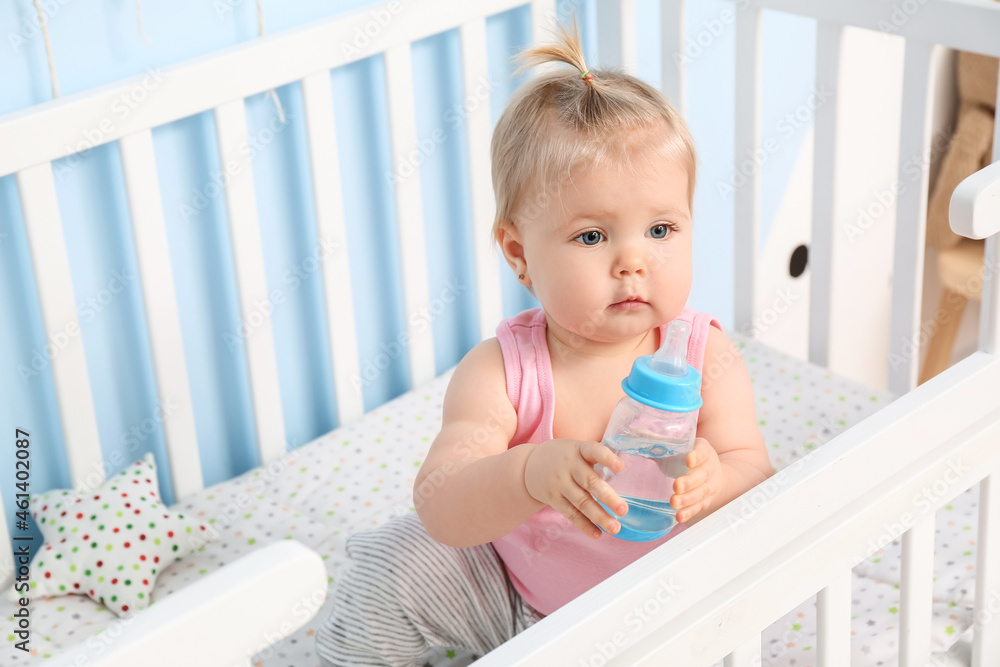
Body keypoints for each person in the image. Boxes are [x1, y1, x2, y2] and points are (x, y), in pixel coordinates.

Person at [316, 18, 772, 667]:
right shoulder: (502, 370)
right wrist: (527, 474)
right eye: (592, 236)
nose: (632, 261)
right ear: (519, 253)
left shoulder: (707, 355)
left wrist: (716, 477)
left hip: (665, 610)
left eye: (662, 229)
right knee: (395, 558)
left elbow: (755, 468)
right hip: (520, 601)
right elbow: (441, 502)